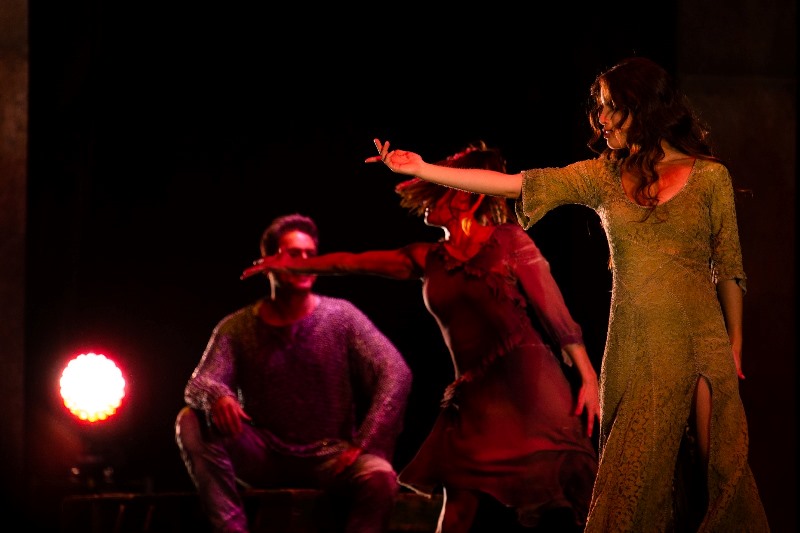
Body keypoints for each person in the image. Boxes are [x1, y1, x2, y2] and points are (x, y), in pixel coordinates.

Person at [364, 56, 770, 532]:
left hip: (703, 343)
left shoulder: (710, 178)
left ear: (642, 107)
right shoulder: (602, 176)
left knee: (720, 476)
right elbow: (513, 184)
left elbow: (729, 267)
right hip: (637, 348)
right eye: (598, 107)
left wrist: (734, 344)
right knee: (630, 485)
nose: (600, 119)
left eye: (610, 107)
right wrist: (424, 168)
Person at [243, 143, 600, 533]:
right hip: (475, 397)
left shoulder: (508, 241)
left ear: (465, 196)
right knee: (459, 499)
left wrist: (587, 376)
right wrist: (294, 265)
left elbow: (552, 308)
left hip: (529, 383)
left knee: (579, 488)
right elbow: (350, 262)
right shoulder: (426, 258)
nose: (428, 199)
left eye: (438, 190)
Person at [175, 213, 413, 533]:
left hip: (330, 458)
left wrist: (366, 442)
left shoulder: (341, 317)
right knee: (190, 420)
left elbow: (395, 372)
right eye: (293, 254)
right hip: (264, 456)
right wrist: (217, 396)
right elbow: (200, 382)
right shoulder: (238, 327)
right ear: (268, 262)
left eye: (310, 255)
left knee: (380, 477)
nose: (304, 262)